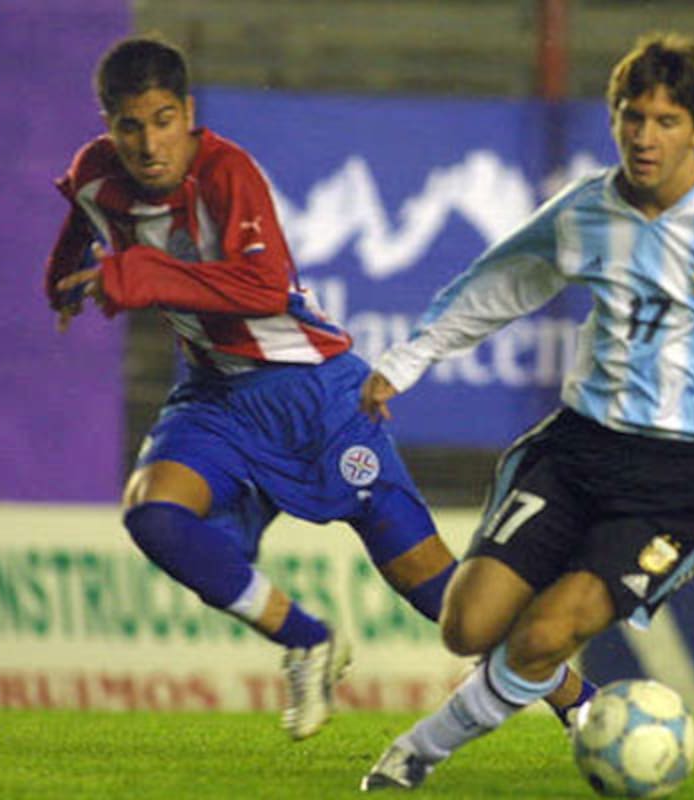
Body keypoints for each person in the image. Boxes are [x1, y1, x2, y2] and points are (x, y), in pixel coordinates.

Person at [47, 35, 592, 740]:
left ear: (188, 114)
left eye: (163, 121)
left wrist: (137, 274)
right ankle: (307, 641)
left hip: (315, 397)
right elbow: (83, 214)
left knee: (434, 588)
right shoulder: (96, 173)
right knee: (153, 515)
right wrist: (62, 278)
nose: (149, 144)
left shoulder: (226, 172)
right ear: (109, 127)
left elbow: (262, 287)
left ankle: (581, 703)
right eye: (130, 126)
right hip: (216, 400)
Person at [357, 31, 694, 791]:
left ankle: (416, 753)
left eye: (667, 122)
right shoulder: (587, 209)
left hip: (685, 477)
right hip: (579, 449)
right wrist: (413, 356)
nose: (646, 137)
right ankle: (567, 698)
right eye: (633, 118)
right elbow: (503, 279)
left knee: (545, 633)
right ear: (614, 120)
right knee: (467, 625)